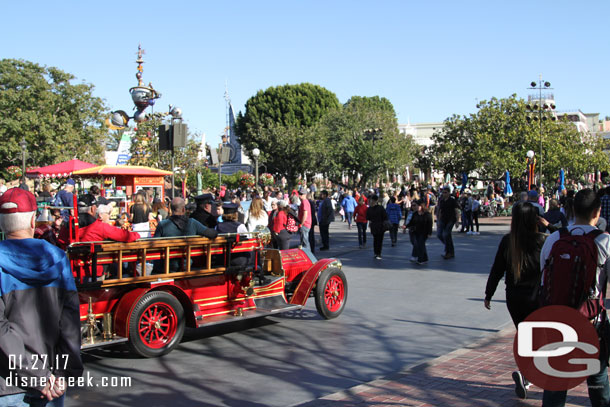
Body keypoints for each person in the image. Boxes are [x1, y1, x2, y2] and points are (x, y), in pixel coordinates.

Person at [0, 188, 83, 405]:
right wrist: (62, 374)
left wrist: (40, 376)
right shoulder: (58, 257)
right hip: (52, 378)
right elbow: (70, 320)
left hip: (9, 383)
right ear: (32, 221)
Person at [538, 189, 610, 406]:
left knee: (557, 378)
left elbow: (544, 281)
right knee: (597, 376)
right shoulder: (605, 242)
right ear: (597, 212)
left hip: (557, 319)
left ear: (572, 210)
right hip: (592, 320)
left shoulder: (554, 239)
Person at [484, 202, 546, 399]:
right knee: (540, 339)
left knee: (525, 335)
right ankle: (529, 374)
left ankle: (526, 376)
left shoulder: (508, 241)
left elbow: (497, 269)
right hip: (536, 297)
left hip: (514, 298)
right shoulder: (543, 240)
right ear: (534, 219)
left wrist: (488, 294)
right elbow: (564, 237)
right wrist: (549, 225)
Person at [153, 198, 218, 272]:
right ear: (183, 209)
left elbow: (154, 244)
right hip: (186, 265)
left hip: (166, 265)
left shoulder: (162, 224)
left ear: (170, 210)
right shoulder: (192, 223)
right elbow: (212, 234)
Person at [404, 199, 433, 265]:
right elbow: (411, 222)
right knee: (421, 245)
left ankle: (421, 259)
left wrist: (429, 233)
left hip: (424, 232)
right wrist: (406, 226)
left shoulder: (427, 214)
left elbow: (430, 224)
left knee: (420, 244)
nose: (415, 207)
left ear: (421, 206)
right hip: (416, 232)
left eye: (417, 206)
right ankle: (425, 259)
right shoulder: (415, 214)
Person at [436, 187, 460, 259]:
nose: (444, 194)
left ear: (449, 193)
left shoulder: (452, 201)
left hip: (451, 219)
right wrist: (438, 220)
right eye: (443, 192)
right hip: (443, 219)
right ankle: (449, 248)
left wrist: (457, 221)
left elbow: (456, 211)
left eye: (445, 192)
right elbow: (440, 211)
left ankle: (448, 252)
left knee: (446, 234)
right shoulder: (441, 201)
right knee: (439, 234)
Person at [366, 194, 388, 260]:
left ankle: (375, 253)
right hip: (381, 226)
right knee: (380, 240)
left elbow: (368, 217)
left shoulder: (369, 209)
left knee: (375, 240)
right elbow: (385, 217)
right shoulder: (381, 208)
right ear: (377, 200)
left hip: (374, 226)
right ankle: (379, 253)